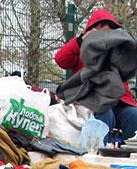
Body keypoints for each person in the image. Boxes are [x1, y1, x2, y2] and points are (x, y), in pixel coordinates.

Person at [55, 9, 137, 142]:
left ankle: (130, 154)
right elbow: (60, 59)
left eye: (109, 31)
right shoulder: (82, 49)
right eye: (99, 31)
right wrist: (80, 41)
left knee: (134, 115)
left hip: (118, 102)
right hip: (91, 102)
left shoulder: (119, 50)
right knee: (105, 114)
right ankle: (99, 153)